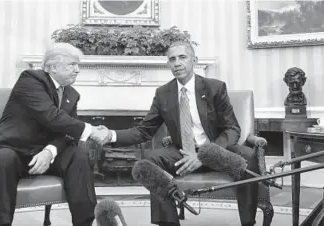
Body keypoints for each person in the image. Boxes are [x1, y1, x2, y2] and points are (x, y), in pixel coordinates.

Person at [96, 41, 259, 226]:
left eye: (182, 57)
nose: (177, 63)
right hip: (182, 155)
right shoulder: (163, 93)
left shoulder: (215, 88)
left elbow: (233, 129)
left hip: (216, 151)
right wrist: (111, 135)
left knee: (248, 158)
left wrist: (204, 155)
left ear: (194, 60)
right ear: (168, 64)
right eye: (172, 59)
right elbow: (144, 131)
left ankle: (248, 222)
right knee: (150, 160)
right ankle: (169, 223)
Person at [0, 43, 108, 226]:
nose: (78, 70)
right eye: (72, 64)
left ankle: (84, 223)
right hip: (10, 149)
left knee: (79, 153)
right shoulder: (31, 79)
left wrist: (50, 151)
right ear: (53, 67)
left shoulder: (72, 94)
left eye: (78, 65)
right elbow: (51, 117)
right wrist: (92, 130)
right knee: (5, 157)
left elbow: (67, 133)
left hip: (42, 155)